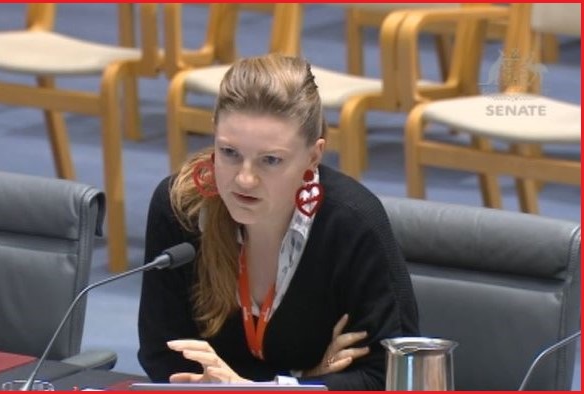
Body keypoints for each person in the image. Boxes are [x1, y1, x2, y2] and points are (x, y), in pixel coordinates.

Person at [138, 53, 419, 390]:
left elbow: (389, 377)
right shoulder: (182, 209)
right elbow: (163, 356)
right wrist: (305, 381)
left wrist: (251, 386)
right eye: (229, 153)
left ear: (313, 157)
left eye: (270, 160)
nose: (244, 179)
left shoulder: (352, 224)